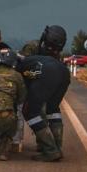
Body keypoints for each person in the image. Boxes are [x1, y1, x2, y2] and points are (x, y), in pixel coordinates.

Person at [19, 25, 71, 162]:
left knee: (30, 111)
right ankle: (56, 147)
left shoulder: (32, 47)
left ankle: (50, 149)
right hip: (64, 74)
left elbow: (23, 69)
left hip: (44, 78)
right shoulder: (56, 54)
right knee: (52, 109)